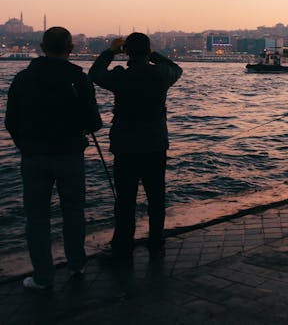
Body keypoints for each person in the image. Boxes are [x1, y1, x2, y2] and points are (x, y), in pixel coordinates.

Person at [4, 27, 102, 291]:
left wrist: (24, 145)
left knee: (36, 218)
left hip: (34, 156)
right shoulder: (78, 80)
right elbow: (94, 122)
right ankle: (76, 265)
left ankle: (43, 277)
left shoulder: (23, 79)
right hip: (70, 154)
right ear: (70, 49)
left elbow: (11, 121)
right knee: (73, 211)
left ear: (41, 47)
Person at [89, 33, 182, 261]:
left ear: (127, 52)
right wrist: (154, 56)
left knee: (125, 200)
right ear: (148, 50)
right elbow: (176, 69)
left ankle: (122, 246)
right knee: (156, 196)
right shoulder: (159, 74)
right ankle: (156, 241)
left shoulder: (121, 76)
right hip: (154, 144)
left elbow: (95, 74)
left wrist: (111, 52)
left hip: (126, 145)